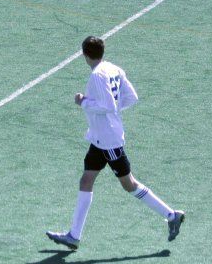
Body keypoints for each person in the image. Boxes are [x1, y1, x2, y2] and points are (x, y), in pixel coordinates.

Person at [45, 36, 184, 251]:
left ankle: (171, 215)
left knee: (129, 184)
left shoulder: (96, 76)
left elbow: (108, 105)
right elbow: (131, 98)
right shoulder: (113, 69)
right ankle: (74, 235)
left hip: (108, 141)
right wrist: (113, 115)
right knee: (86, 181)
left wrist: (84, 102)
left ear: (85, 55)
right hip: (100, 138)